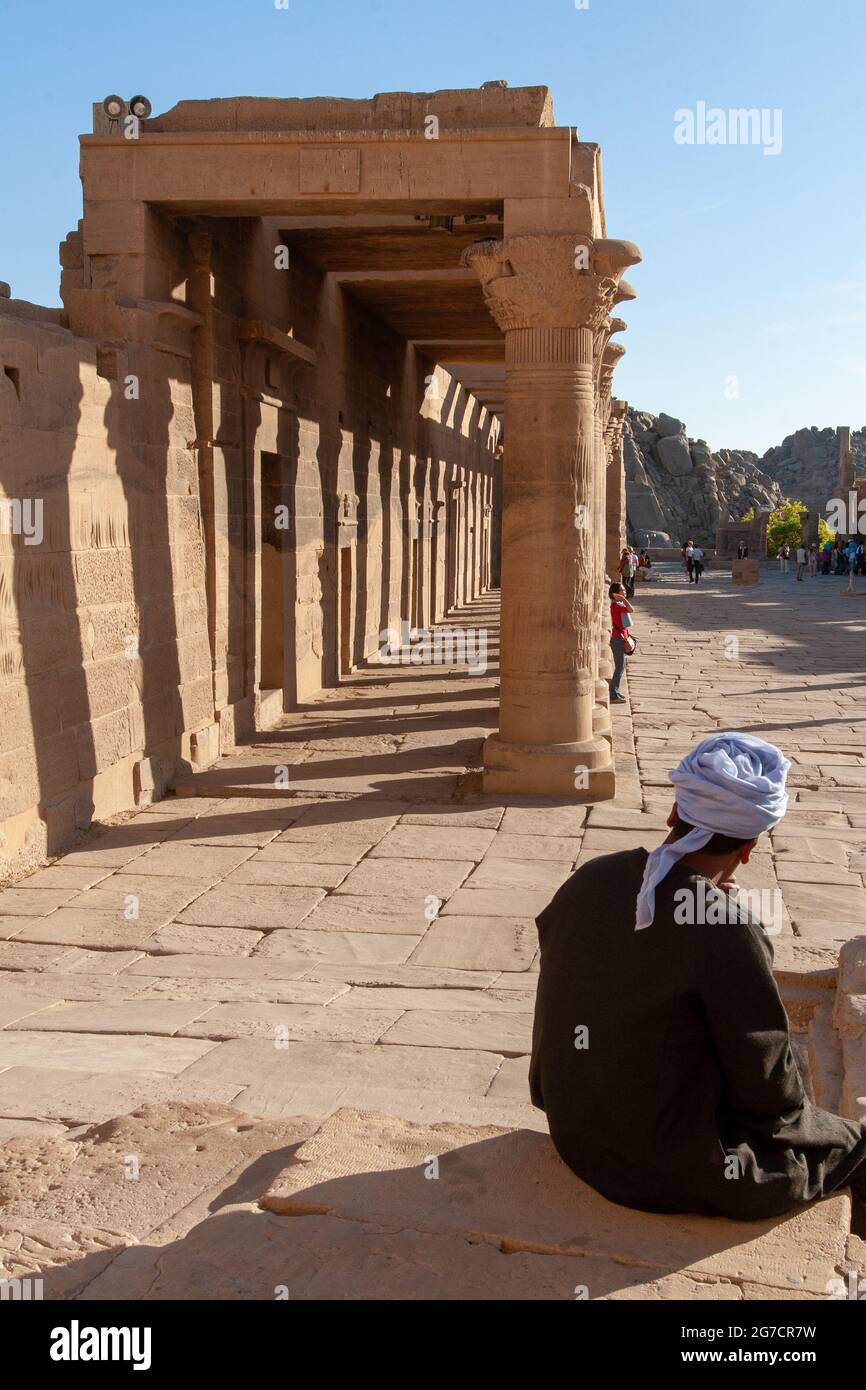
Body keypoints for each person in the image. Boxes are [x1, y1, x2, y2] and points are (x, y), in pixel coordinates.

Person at [529, 731, 866, 1219]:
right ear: (749, 847)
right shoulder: (727, 931)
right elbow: (771, 1097)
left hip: (575, 1131)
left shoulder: (590, 879)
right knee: (856, 1145)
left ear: (673, 815)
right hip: (656, 1169)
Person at [608, 581, 633, 704]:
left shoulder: (618, 604)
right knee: (619, 667)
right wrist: (623, 599)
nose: (624, 591)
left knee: (621, 667)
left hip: (621, 638)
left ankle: (616, 691)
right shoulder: (616, 605)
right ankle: (613, 694)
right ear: (616, 594)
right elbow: (631, 609)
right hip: (617, 640)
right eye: (622, 590)